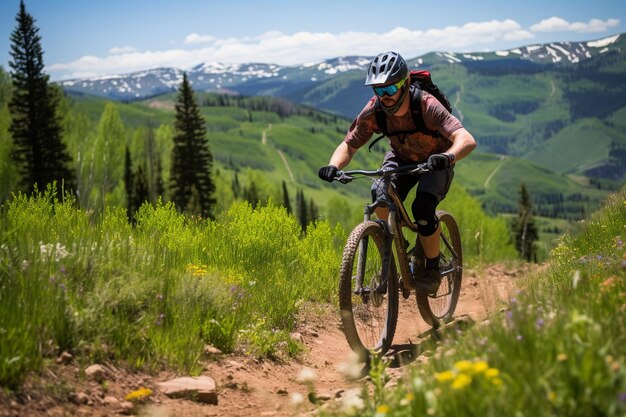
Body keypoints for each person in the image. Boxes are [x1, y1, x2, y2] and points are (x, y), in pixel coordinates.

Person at [318, 51, 476, 294]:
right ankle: (398, 249)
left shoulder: (426, 104)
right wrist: (334, 166)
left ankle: (432, 266)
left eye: (390, 90)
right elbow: (349, 144)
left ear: (405, 84)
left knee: (422, 208)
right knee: (379, 194)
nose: (385, 97)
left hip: (436, 162)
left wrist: (447, 157)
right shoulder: (374, 111)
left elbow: (466, 139)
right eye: (378, 91)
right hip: (401, 159)